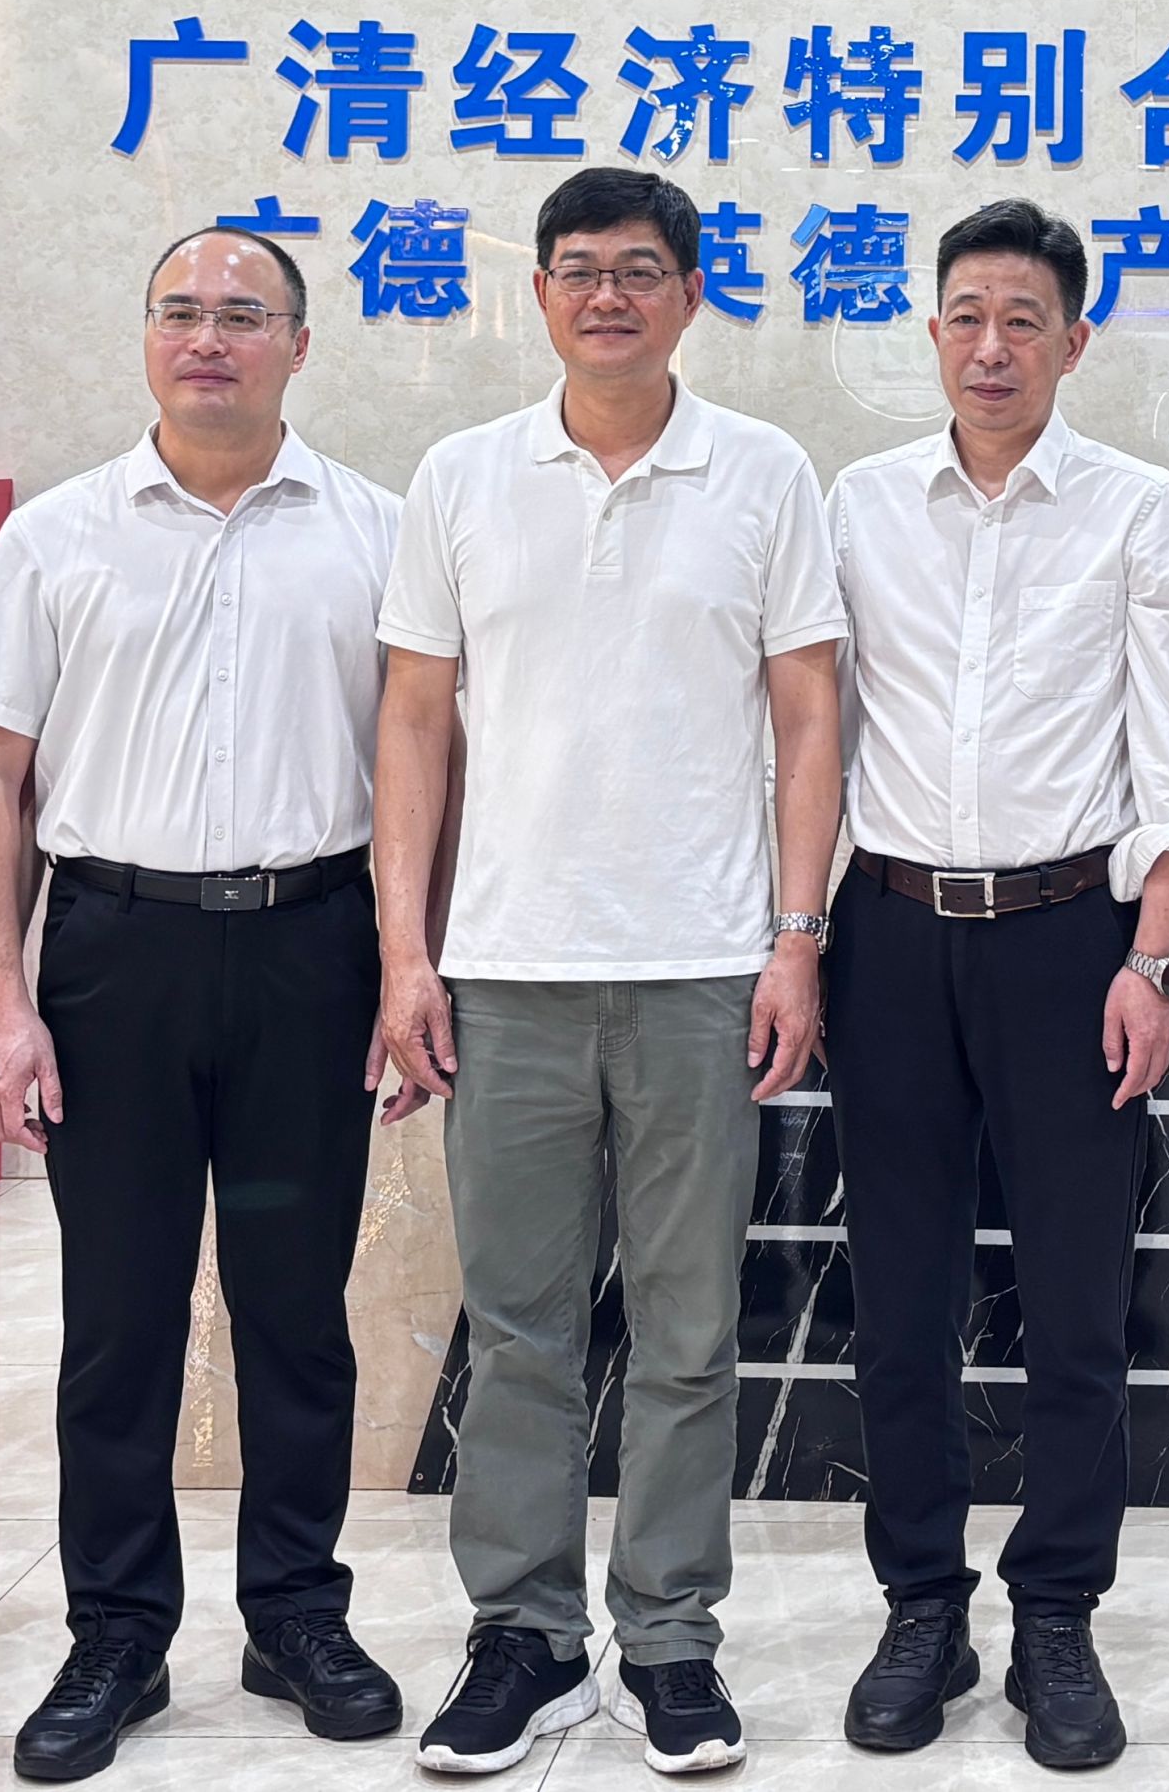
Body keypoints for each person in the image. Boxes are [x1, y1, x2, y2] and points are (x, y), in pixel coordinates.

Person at [372, 167, 847, 1781]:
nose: (607, 296)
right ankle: (523, 1633)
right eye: (577, 269)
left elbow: (808, 717)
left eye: (640, 270)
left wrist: (796, 934)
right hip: (507, 967)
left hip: (703, 964)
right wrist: (407, 951)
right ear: (540, 294)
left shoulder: (763, 471)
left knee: (689, 1328)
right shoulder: (462, 475)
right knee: (518, 1327)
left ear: (690, 293)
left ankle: (669, 1634)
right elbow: (414, 722)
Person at [0, 230, 407, 1781]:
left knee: (295, 1310)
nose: (211, 336)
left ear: (299, 344)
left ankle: (296, 1613)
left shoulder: (380, 531)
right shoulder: (57, 536)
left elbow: (424, 767)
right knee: (118, 1317)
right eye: (182, 311)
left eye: (244, 314)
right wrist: (2, 995)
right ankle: (118, 1632)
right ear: (146, 336)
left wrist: (413, 960)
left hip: (310, 950)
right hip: (114, 956)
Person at [819, 200, 1169, 1773]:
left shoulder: (1138, 509)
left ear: (1075, 338)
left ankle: (1057, 1606)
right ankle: (922, 1602)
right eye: (968, 316)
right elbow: (811, 732)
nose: (993, 346)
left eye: (1025, 319)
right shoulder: (858, 501)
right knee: (898, 1298)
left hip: (1075, 940)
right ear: (932, 331)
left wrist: (1155, 960)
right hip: (889, 931)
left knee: (1074, 1302)